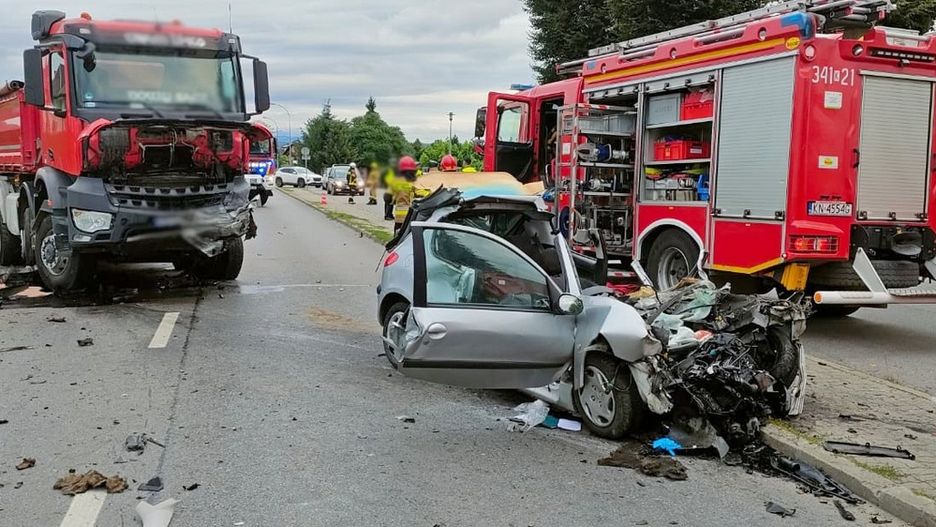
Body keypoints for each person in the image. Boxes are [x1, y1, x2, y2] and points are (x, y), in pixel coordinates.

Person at [389, 156, 429, 233]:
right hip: (409, 216)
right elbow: (422, 193)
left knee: (397, 239)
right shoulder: (413, 182)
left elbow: (390, 198)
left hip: (398, 218)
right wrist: (431, 191)